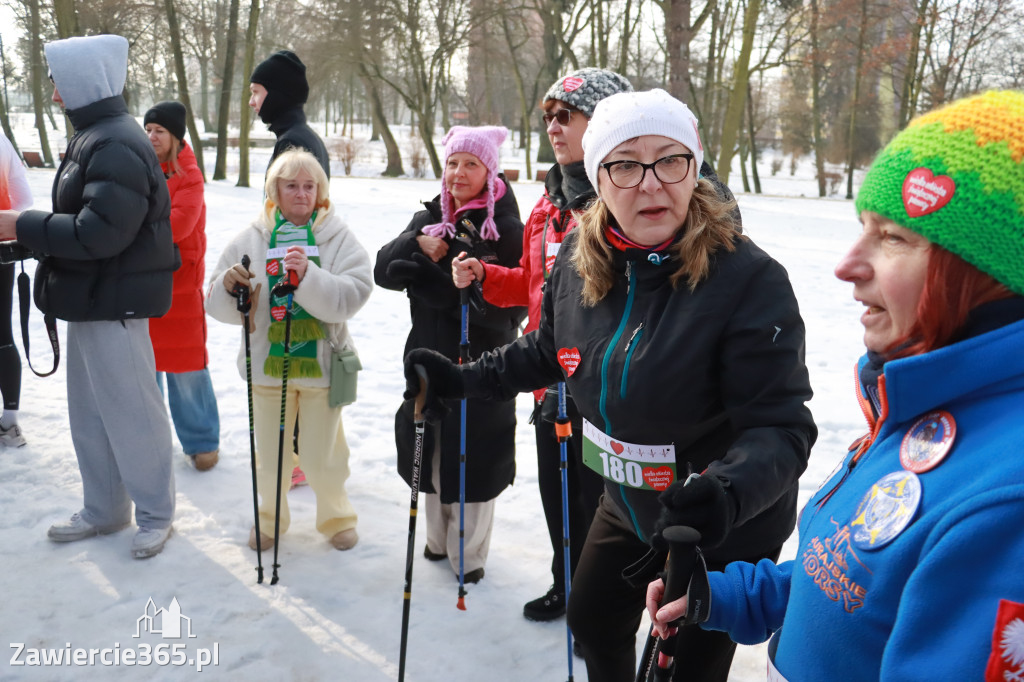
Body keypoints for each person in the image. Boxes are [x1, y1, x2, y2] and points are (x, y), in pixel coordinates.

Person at [405, 89, 815, 681]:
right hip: (626, 502)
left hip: (718, 525)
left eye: (669, 160)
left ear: (694, 168)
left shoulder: (748, 280)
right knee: (593, 619)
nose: (650, 184)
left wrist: (722, 493)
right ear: (597, 176)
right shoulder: (578, 255)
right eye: (625, 164)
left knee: (686, 671)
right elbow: (548, 352)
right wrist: (458, 381)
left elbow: (781, 428)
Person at [647, 90, 1024, 681]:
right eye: (862, 228)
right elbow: (857, 577)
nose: (847, 265)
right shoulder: (921, 402)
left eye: (895, 237)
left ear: (991, 277)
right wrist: (731, 596)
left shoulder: (1005, 506)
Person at [451, 67, 631, 620]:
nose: (554, 126)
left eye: (566, 116)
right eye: (549, 116)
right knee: (558, 503)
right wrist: (484, 274)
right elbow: (531, 287)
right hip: (547, 384)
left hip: (603, 390)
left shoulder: (616, 200)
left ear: (601, 121)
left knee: (601, 507)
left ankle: (605, 601)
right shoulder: (545, 205)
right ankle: (566, 584)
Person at [0, 35, 178, 559]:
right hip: (92, 299)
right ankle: (105, 508)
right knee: (92, 412)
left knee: (132, 412)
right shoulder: (97, 135)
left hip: (115, 304)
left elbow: (100, 234)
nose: (53, 92)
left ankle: (155, 514)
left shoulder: (115, 141)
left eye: (57, 80)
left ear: (81, 80)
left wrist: (22, 224)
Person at [375, 126, 526, 584]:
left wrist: (454, 290)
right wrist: (414, 246)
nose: (459, 173)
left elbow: (516, 307)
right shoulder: (428, 218)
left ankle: (470, 555)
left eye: (471, 164)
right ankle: (438, 541)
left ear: (489, 171)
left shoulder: (507, 230)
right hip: (427, 357)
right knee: (432, 449)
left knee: (475, 455)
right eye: (452, 163)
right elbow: (383, 269)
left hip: (481, 367)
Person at [206, 149, 371, 552]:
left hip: (321, 365)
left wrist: (309, 277)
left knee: (321, 457)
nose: (300, 194)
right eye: (291, 185)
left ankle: (336, 517)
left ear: (320, 192)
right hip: (267, 366)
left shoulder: (337, 236)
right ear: (274, 190)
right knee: (271, 457)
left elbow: (356, 292)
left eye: (309, 186)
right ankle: (268, 520)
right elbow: (213, 300)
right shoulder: (250, 237)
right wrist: (229, 287)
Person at [144, 101, 220, 471]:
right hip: (144, 285)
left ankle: (202, 441)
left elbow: (179, 225)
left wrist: (134, 230)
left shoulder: (189, 175)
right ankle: (150, 441)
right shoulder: (141, 168)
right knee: (146, 369)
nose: (152, 136)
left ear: (175, 137)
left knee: (188, 367)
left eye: (159, 130)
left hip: (180, 287)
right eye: (148, 130)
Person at [249, 50, 330, 179]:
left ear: (275, 94)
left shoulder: (292, 143)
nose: (251, 102)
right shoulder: (307, 136)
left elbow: (290, 198)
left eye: (255, 92)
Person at [0, 131, 32, 447]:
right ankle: (10, 425)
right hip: (2, 249)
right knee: (3, 334)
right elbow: (23, 200)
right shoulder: (2, 140)